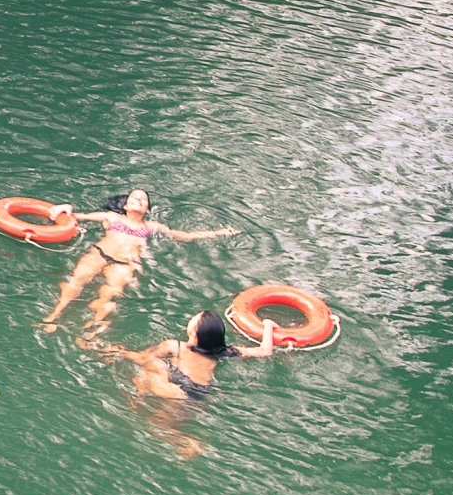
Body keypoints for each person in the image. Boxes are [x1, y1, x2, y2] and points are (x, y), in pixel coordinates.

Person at [37, 189, 239, 335]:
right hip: (99, 254)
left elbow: (184, 236)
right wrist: (65, 208)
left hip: (124, 265)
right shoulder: (110, 217)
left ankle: (91, 329)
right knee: (76, 281)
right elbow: (76, 218)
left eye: (143, 199)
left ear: (148, 210)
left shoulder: (152, 226)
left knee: (108, 295)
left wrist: (218, 232)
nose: (139, 200)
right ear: (125, 205)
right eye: (135, 197)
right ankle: (54, 316)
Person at [85, 309, 275, 459]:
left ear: (194, 333)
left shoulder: (174, 346)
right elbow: (265, 351)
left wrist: (119, 352)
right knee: (161, 426)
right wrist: (267, 325)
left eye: (194, 319)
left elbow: (143, 358)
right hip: (198, 392)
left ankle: (143, 399)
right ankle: (181, 438)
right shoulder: (225, 351)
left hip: (176, 386)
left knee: (150, 369)